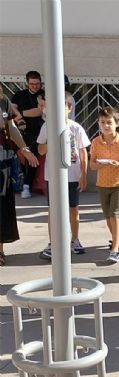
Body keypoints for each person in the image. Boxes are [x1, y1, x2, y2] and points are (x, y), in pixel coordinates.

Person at [36, 92, 90, 260]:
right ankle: (53, 243)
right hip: (52, 176)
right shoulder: (47, 126)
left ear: (69, 108)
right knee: (53, 209)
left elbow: (83, 151)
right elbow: (40, 149)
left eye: (63, 108)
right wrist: (50, 140)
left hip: (72, 175)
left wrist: (83, 174)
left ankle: (74, 239)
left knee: (73, 209)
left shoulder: (76, 127)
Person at [89, 106, 119, 263]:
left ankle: (115, 249)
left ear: (117, 123)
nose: (106, 126)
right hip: (102, 183)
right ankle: (117, 238)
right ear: (98, 123)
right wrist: (100, 164)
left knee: (115, 215)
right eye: (102, 122)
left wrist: (118, 164)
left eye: (109, 122)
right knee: (108, 216)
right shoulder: (96, 142)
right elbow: (92, 165)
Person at [1, 92, 39, 265]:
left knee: (2, 208)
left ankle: (0, 251)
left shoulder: (2, 101)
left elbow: (10, 126)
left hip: (2, 161)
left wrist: (24, 148)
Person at [11, 71, 44, 199]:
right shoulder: (19, 95)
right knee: (18, 157)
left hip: (36, 131)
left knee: (32, 156)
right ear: (27, 83)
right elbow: (12, 108)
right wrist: (18, 119)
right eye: (32, 84)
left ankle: (26, 185)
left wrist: (21, 114)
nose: (35, 86)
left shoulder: (43, 94)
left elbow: (39, 111)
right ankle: (18, 183)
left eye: (37, 83)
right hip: (18, 130)